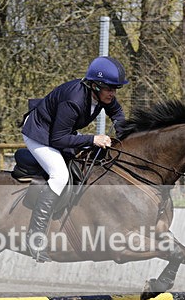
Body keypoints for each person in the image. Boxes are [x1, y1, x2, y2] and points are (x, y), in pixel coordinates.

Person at [20, 56, 129, 262]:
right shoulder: (74, 99)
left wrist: (124, 134)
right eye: (109, 89)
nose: (113, 93)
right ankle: (34, 237)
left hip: (60, 131)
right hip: (40, 133)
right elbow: (58, 139)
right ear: (95, 86)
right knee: (59, 175)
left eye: (116, 89)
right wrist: (93, 139)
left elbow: (117, 113)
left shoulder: (102, 95)